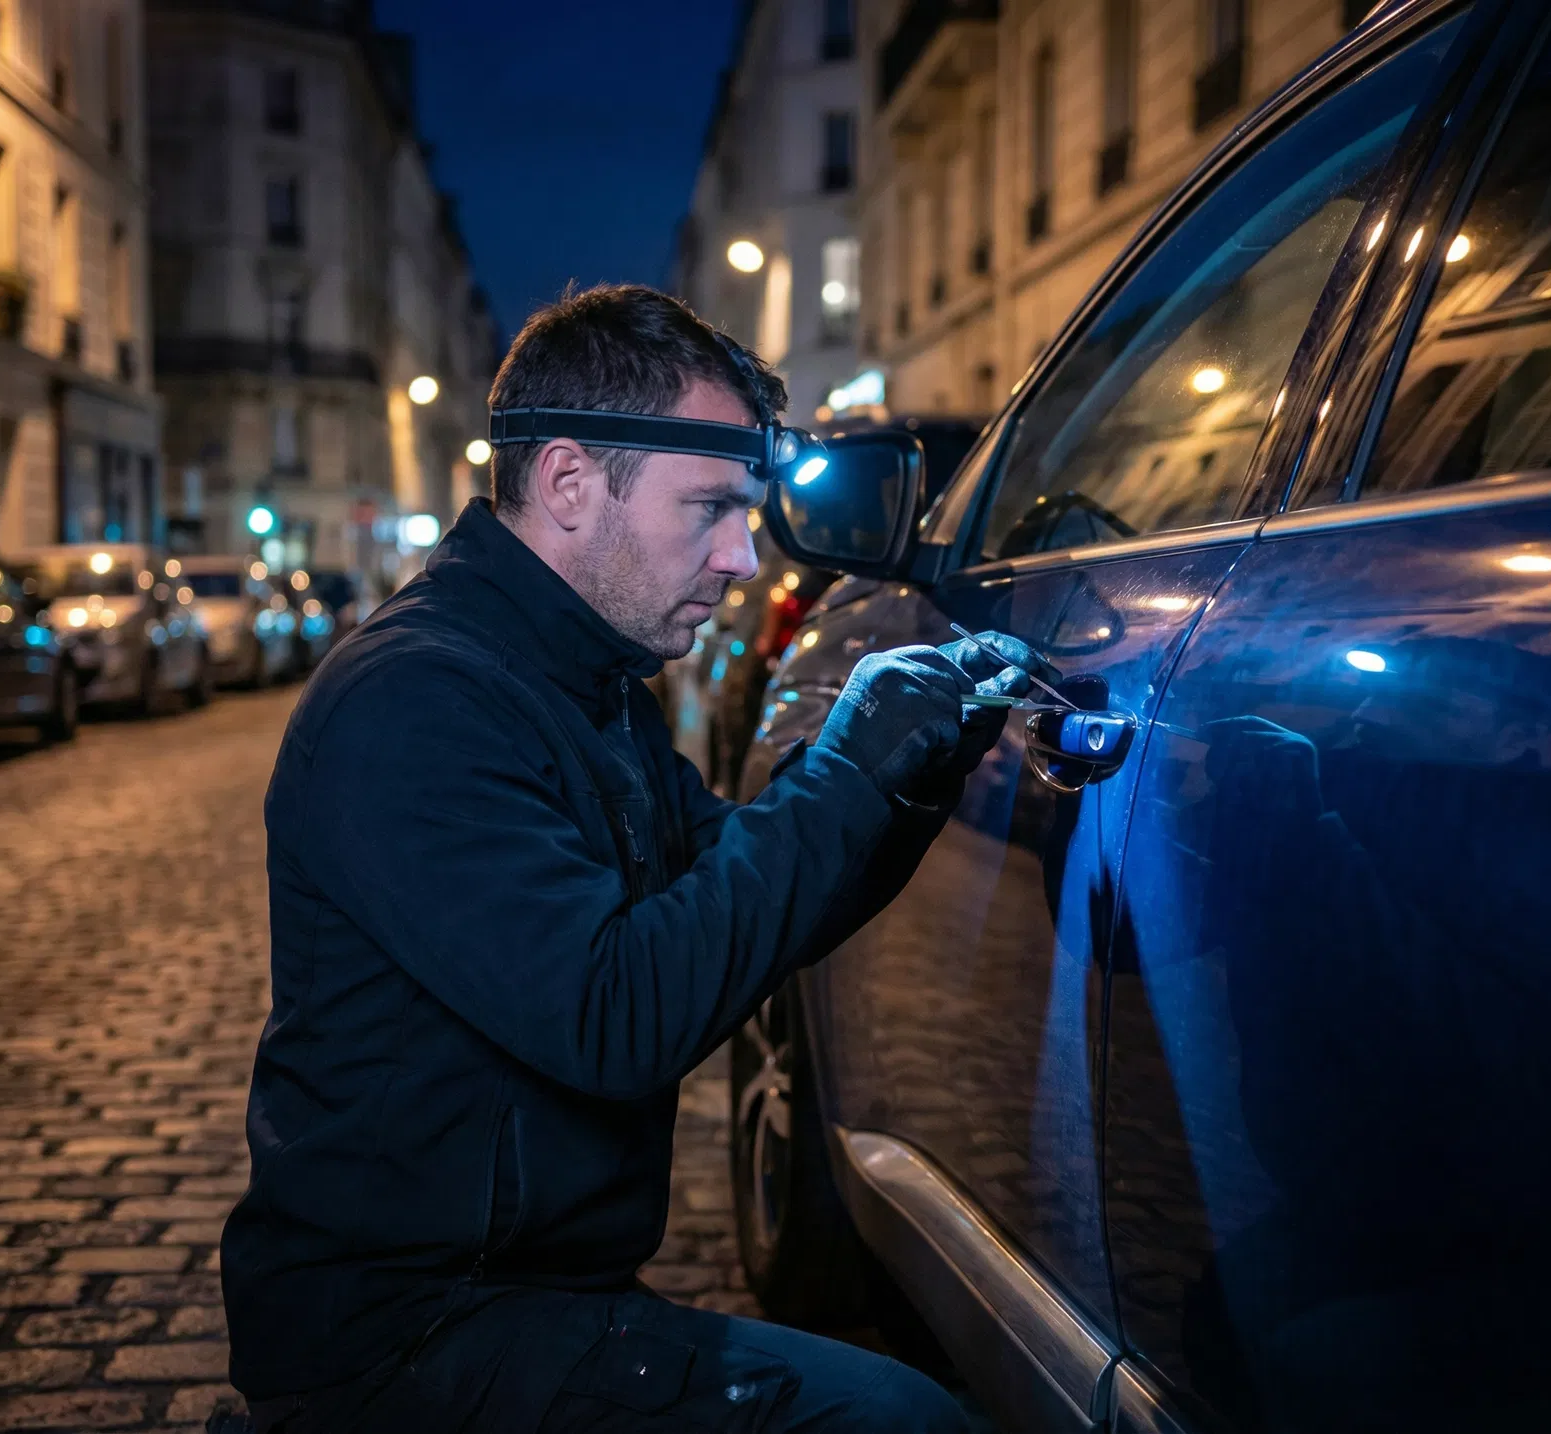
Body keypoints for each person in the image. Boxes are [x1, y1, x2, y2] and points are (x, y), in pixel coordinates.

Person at [219, 284, 1053, 1433]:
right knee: (903, 1422)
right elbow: (618, 1013)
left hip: (525, 1293)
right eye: (710, 506)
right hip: (405, 1335)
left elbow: (741, 888)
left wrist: (906, 774)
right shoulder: (417, 701)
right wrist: (846, 773)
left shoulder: (585, 680)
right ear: (568, 483)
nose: (740, 558)